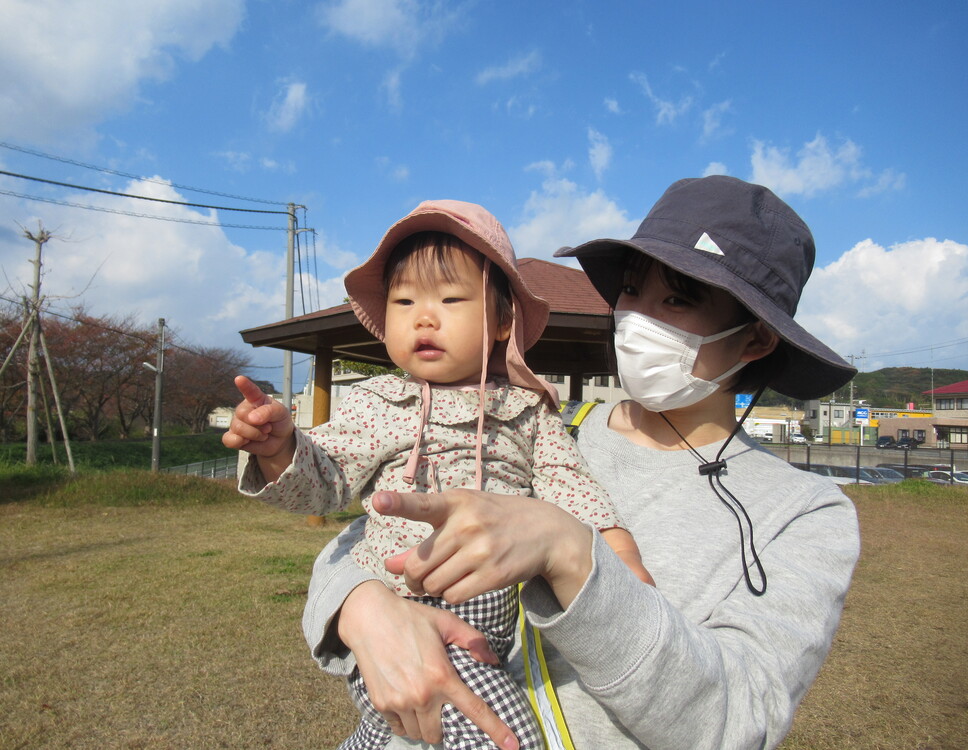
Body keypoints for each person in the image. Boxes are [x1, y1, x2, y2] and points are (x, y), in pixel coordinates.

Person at [300, 176, 862, 750]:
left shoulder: (807, 515)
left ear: (756, 341)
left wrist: (571, 551)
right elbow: (368, 538)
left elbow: (740, 721)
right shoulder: (533, 424)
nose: (637, 318)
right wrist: (361, 607)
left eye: (676, 299)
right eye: (631, 290)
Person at [223, 199, 649, 750]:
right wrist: (280, 449)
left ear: (501, 322)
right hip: (400, 608)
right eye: (403, 301)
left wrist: (626, 564)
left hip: (496, 623)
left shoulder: (526, 411)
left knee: (396, 732)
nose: (424, 317)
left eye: (450, 299)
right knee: (503, 733)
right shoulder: (380, 403)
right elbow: (326, 475)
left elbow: (573, 489)